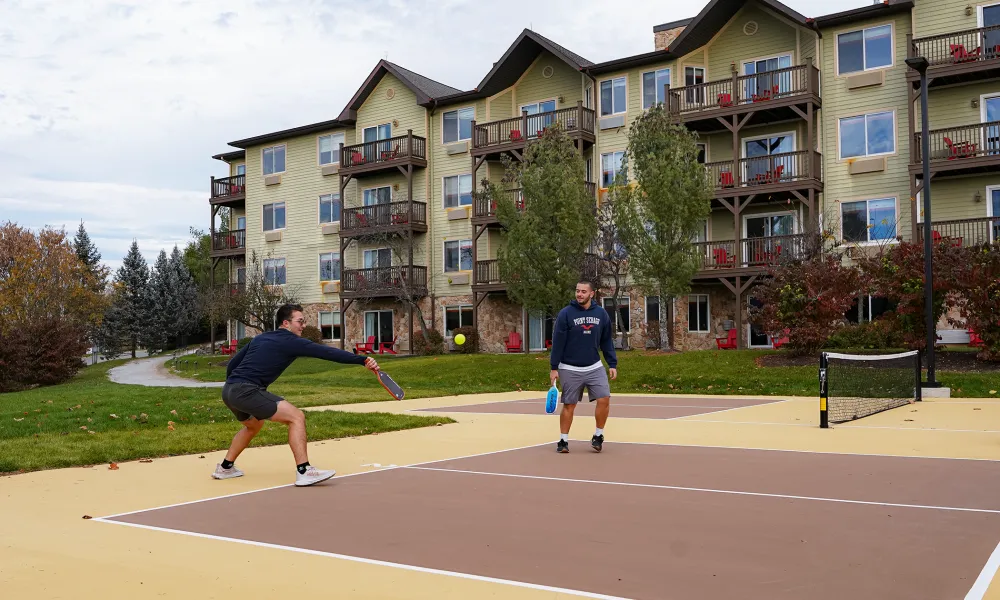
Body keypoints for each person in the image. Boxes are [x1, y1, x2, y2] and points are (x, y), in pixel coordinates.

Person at [212, 303, 379, 486]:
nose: (303, 325)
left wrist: (233, 387)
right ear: (286, 323)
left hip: (229, 390)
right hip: (246, 390)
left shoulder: (261, 338)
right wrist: (362, 360)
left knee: (253, 425)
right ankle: (304, 470)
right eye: (300, 321)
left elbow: (232, 364)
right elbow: (326, 352)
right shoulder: (291, 341)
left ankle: (225, 468)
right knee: (296, 417)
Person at [549, 279, 618, 453]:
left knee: (604, 398)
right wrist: (554, 367)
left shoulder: (601, 314)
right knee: (569, 405)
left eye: (583, 291)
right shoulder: (566, 314)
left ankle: (598, 435)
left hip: (594, 366)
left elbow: (606, 341)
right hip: (569, 367)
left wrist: (612, 363)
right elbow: (558, 342)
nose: (579, 294)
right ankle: (563, 441)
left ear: (592, 294)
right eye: (577, 291)